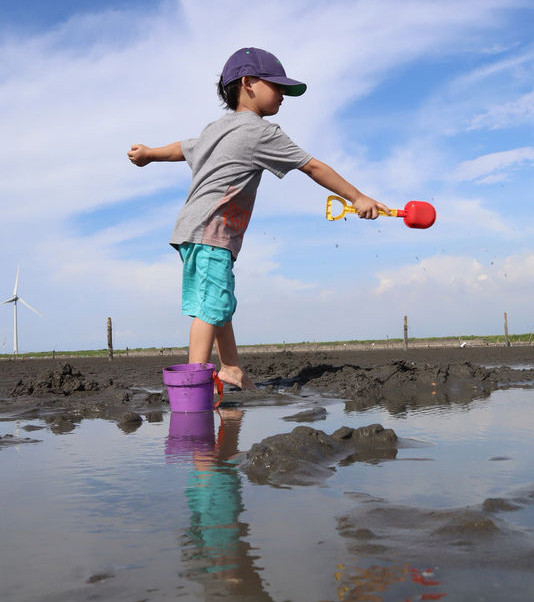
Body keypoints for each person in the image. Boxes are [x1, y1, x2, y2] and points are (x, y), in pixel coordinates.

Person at [128, 47, 388, 390]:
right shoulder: (262, 132)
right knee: (209, 308)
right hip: (211, 230)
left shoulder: (214, 129)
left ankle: (232, 368)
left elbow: (184, 147)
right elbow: (312, 166)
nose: (282, 95)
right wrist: (357, 197)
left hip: (192, 230)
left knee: (217, 301)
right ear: (248, 83)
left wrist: (150, 154)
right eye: (276, 86)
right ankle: (194, 385)